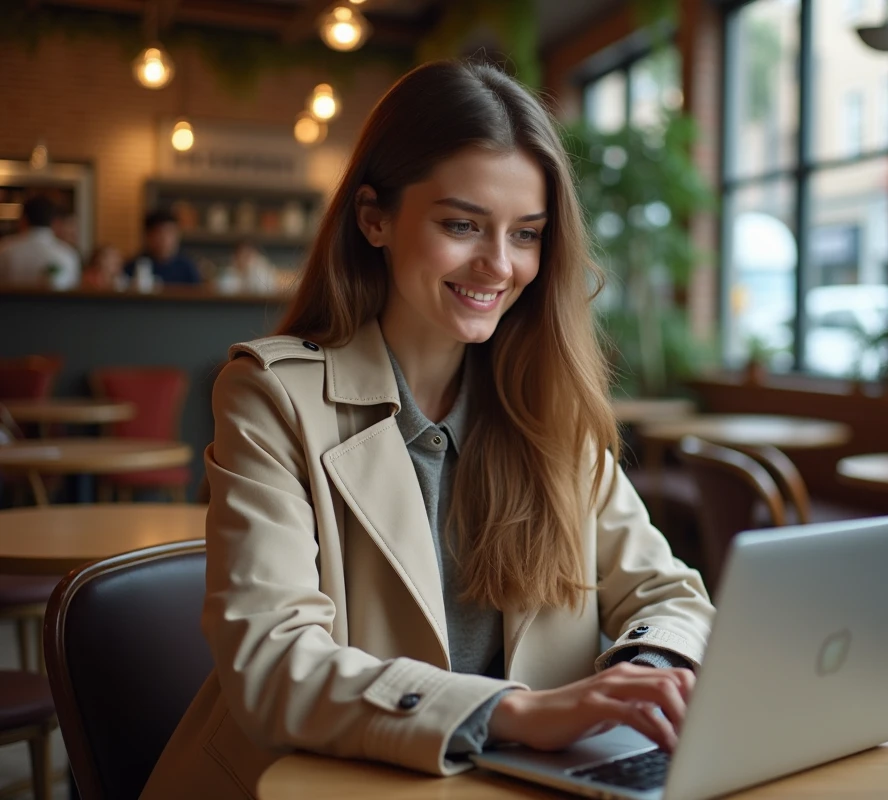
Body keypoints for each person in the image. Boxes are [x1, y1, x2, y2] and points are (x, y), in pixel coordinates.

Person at [141, 60, 714, 799]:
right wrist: (515, 714)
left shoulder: (551, 410)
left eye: (527, 234)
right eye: (462, 224)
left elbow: (671, 595)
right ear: (374, 217)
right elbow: (273, 663)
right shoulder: (270, 397)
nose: (499, 265)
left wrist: (643, 677)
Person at [0, 195, 80, 289]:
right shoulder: (68, 254)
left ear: (23, 219)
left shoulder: (5, 249)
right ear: (53, 221)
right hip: (54, 304)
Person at [124, 210, 203, 285]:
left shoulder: (187, 267)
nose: (166, 239)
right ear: (148, 236)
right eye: (160, 234)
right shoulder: (134, 266)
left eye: (170, 233)